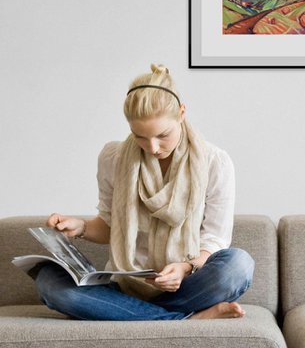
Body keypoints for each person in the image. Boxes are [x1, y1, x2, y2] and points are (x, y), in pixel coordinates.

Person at [34, 64, 255, 321]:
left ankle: (131, 315)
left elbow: (215, 239)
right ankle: (184, 320)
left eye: (163, 135)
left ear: (182, 113)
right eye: (139, 136)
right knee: (48, 282)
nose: (152, 147)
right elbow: (110, 226)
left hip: (186, 285)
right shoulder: (113, 158)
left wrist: (184, 268)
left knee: (238, 266)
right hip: (124, 286)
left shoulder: (214, 162)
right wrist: (80, 226)